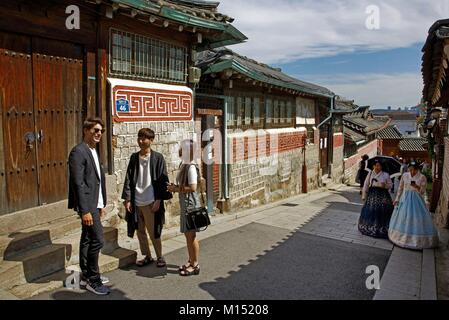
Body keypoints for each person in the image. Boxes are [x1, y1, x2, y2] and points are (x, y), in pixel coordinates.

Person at [68, 118, 110, 295]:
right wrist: (85, 210)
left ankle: (85, 275)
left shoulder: (93, 150)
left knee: (87, 238)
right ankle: (94, 279)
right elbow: (78, 183)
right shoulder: (78, 151)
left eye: (101, 131)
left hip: (94, 202)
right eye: (95, 130)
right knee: (98, 240)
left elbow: (95, 181)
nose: (99, 133)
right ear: (86, 130)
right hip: (87, 204)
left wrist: (100, 204)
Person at [122, 128, 172, 268]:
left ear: (151, 140)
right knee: (140, 232)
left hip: (151, 201)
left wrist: (158, 200)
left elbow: (163, 180)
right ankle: (147, 256)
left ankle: (160, 256)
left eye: (144, 138)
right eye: (139, 138)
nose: (141, 141)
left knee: (154, 231)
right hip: (137, 201)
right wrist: (128, 199)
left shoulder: (157, 158)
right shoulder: (134, 157)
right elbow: (128, 179)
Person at [167, 139, 202, 276]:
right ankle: (191, 260)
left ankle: (195, 264)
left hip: (190, 205)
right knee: (188, 236)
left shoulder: (191, 167)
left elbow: (193, 187)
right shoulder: (185, 164)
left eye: (182, 148)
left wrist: (175, 189)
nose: (180, 150)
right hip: (186, 204)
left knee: (191, 236)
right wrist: (174, 187)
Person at [388, 161, 439, 249]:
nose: (412, 172)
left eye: (414, 170)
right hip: (405, 199)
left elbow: (423, 191)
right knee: (404, 217)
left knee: (416, 218)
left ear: (417, 169)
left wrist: (416, 186)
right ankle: (401, 237)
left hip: (417, 200)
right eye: (410, 170)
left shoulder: (422, 177)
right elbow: (400, 188)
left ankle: (416, 239)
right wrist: (397, 199)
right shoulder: (404, 175)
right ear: (408, 169)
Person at [358, 160, 394, 238]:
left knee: (382, 211)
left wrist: (384, 186)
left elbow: (391, 185)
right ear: (373, 166)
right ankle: (371, 227)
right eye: (376, 165)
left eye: (379, 166)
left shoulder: (385, 174)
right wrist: (364, 195)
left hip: (383, 195)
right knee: (371, 210)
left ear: (381, 166)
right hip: (372, 195)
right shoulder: (370, 173)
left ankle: (381, 229)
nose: (377, 167)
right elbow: (366, 184)